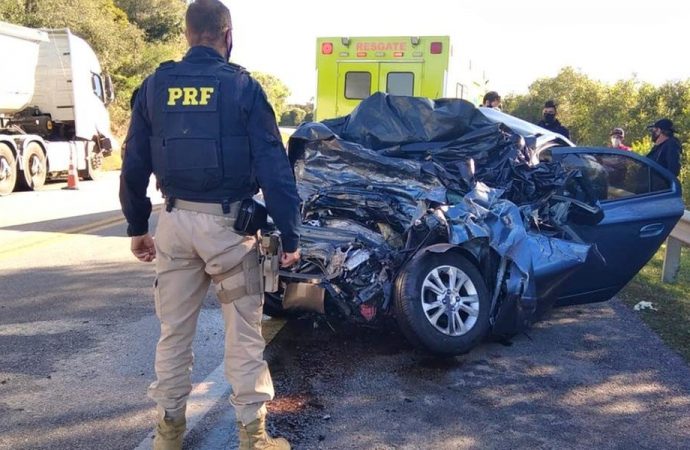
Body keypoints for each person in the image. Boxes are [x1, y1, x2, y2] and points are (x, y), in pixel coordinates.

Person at [119, 1, 301, 449]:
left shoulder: (154, 85)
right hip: (229, 233)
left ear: (186, 34)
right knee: (243, 335)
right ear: (227, 34)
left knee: (174, 334)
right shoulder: (242, 88)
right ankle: (253, 438)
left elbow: (134, 164)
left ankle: (168, 435)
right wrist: (291, 236)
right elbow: (275, 168)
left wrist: (137, 227)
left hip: (175, 225)